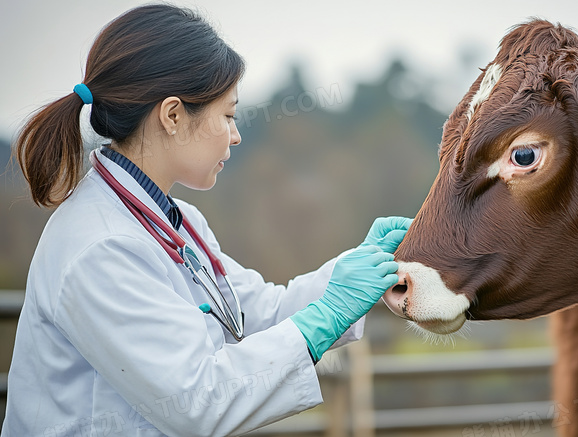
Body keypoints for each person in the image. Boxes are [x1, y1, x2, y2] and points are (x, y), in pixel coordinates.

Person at [2, 4, 411, 436]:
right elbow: (195, 400)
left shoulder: (176, 222)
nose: (235, 135)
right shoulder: (100, 246)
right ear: (173, 115)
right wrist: (329, 312)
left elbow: (255, 313)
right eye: (228, 115)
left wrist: (357, 271)